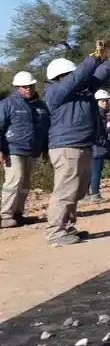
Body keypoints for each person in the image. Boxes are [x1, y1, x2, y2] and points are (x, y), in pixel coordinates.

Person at [43, 40, 110, 246]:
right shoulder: (54, 92)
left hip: (82, 145)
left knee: (76, 191)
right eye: (70, 75)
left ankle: (68, 227)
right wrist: (93, 59)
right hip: (67, 147)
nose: (74, 77)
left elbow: (97, 77)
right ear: (60, 77)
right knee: (65, 190)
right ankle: (55, 232)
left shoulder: (81, 90)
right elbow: (79, 76)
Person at [1, 71, 50, 228]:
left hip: (33, 150)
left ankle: (18, 214)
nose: (28, 89)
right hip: (12, 149)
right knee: (15, 180)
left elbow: (46, 128)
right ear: (17, 87)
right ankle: (5, 215)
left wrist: (46, 149)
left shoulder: (42, 106)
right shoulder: (7, 104)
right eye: (24, 86)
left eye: (31, 86)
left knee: (26, 184)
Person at [84, 89, 110, 204]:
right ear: (97, 102)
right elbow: (96, 133)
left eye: (107, 101)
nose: (105, 103)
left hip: (96, 147)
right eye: (103, 101)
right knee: (96, 171)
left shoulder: (106, 115)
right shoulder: (97, 115)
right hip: (96, 147)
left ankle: (86, 194)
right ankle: (95, 195)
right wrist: (104, 141)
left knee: (91, 171)